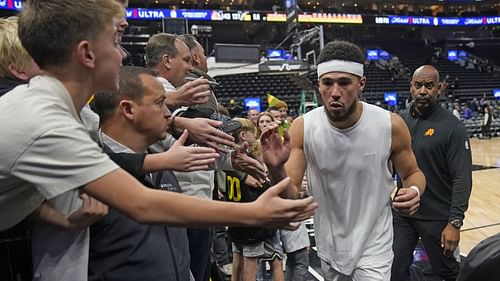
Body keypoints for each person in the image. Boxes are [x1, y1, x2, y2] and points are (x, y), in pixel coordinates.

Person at [0, 0, 317, 258]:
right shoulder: (48, 122)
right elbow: (142, 204)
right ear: (86, 54)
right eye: (116, 41)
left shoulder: (74, 112)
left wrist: (59, 217)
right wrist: (255, 213)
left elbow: (27, 186)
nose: (123, 54)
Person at [260, 40, 426, 280]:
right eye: (328, 83)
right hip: (330, 247)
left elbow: (413, 173)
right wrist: (275, 169)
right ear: (319, 85)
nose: (335, 92)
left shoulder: (389, 125)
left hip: (374, 246)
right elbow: (291, 194)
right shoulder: (303, 127)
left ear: (361, 84)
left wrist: (413, 190)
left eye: (344, 83)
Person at [89, 66, 211, 281]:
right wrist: (256, 214)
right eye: (159, 103)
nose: (168, 114)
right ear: (128, 109)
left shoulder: (165, 164)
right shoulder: (90, 172)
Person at [391, 65, 473, 281]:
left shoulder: (453, 128)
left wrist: (455, 222)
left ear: (439, 88)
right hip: (404, 214)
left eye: (429, 86)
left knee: (446, 272)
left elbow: (462, 178)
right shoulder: (401, 122)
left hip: (437, 217)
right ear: (411, 87)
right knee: (394, 270)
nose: (423, 91)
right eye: (418, 85)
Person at [224, 118, 284, 281]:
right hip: (251, 223)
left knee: (237, 263)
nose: (256, 134)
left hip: (235, 220)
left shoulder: (227, 161)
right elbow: (261, 184)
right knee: (251, 268)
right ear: (243, 135)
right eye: (253, 132)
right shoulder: (245, 160)